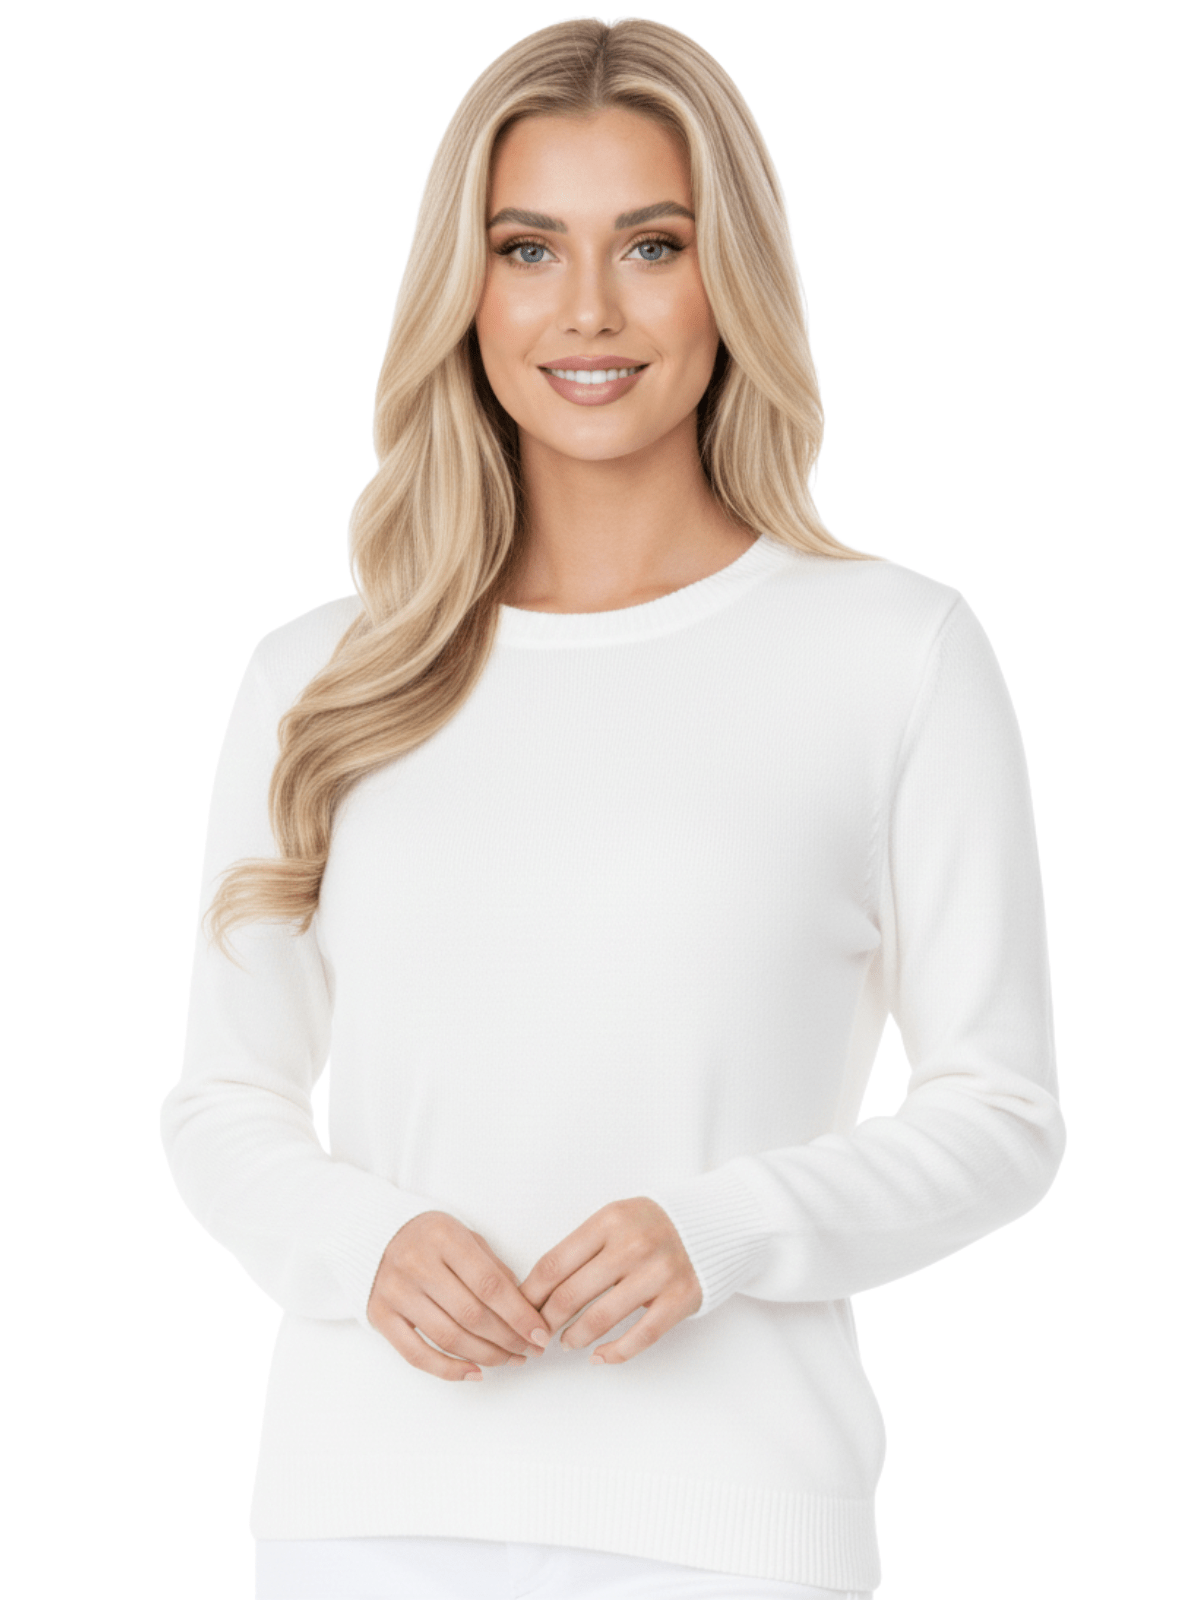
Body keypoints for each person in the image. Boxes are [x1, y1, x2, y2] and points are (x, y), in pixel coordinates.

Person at [160, 17, 1066, 1600]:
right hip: (363, 1515)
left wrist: (725, 1229)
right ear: (468, 286)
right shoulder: (323, 675)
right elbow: (224, 1103)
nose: (588, 309)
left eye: (653, 245)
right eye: (528, 248)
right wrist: (364, 1247)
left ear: (734, 279)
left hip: (732, 1526)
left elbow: (1000, 1113)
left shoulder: (892, 653)